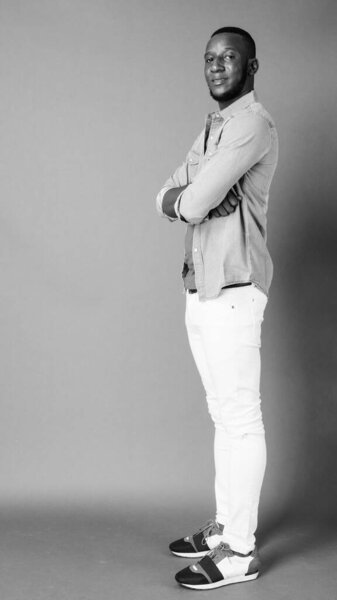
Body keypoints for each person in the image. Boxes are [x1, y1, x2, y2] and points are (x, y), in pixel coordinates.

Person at [156, 26, 278, 590]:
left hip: (234, 291)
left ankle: (240, 552)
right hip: (202, 290)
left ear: (251, 67)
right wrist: (192, 196)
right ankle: (225, 526)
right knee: (222, 415)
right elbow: (167, 192)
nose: (216, 66)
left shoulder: (251, 124)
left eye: (229, 57)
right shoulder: (214, 128)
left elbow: (195, 197)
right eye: (209, 58)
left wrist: (196, 196)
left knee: (241, 417)